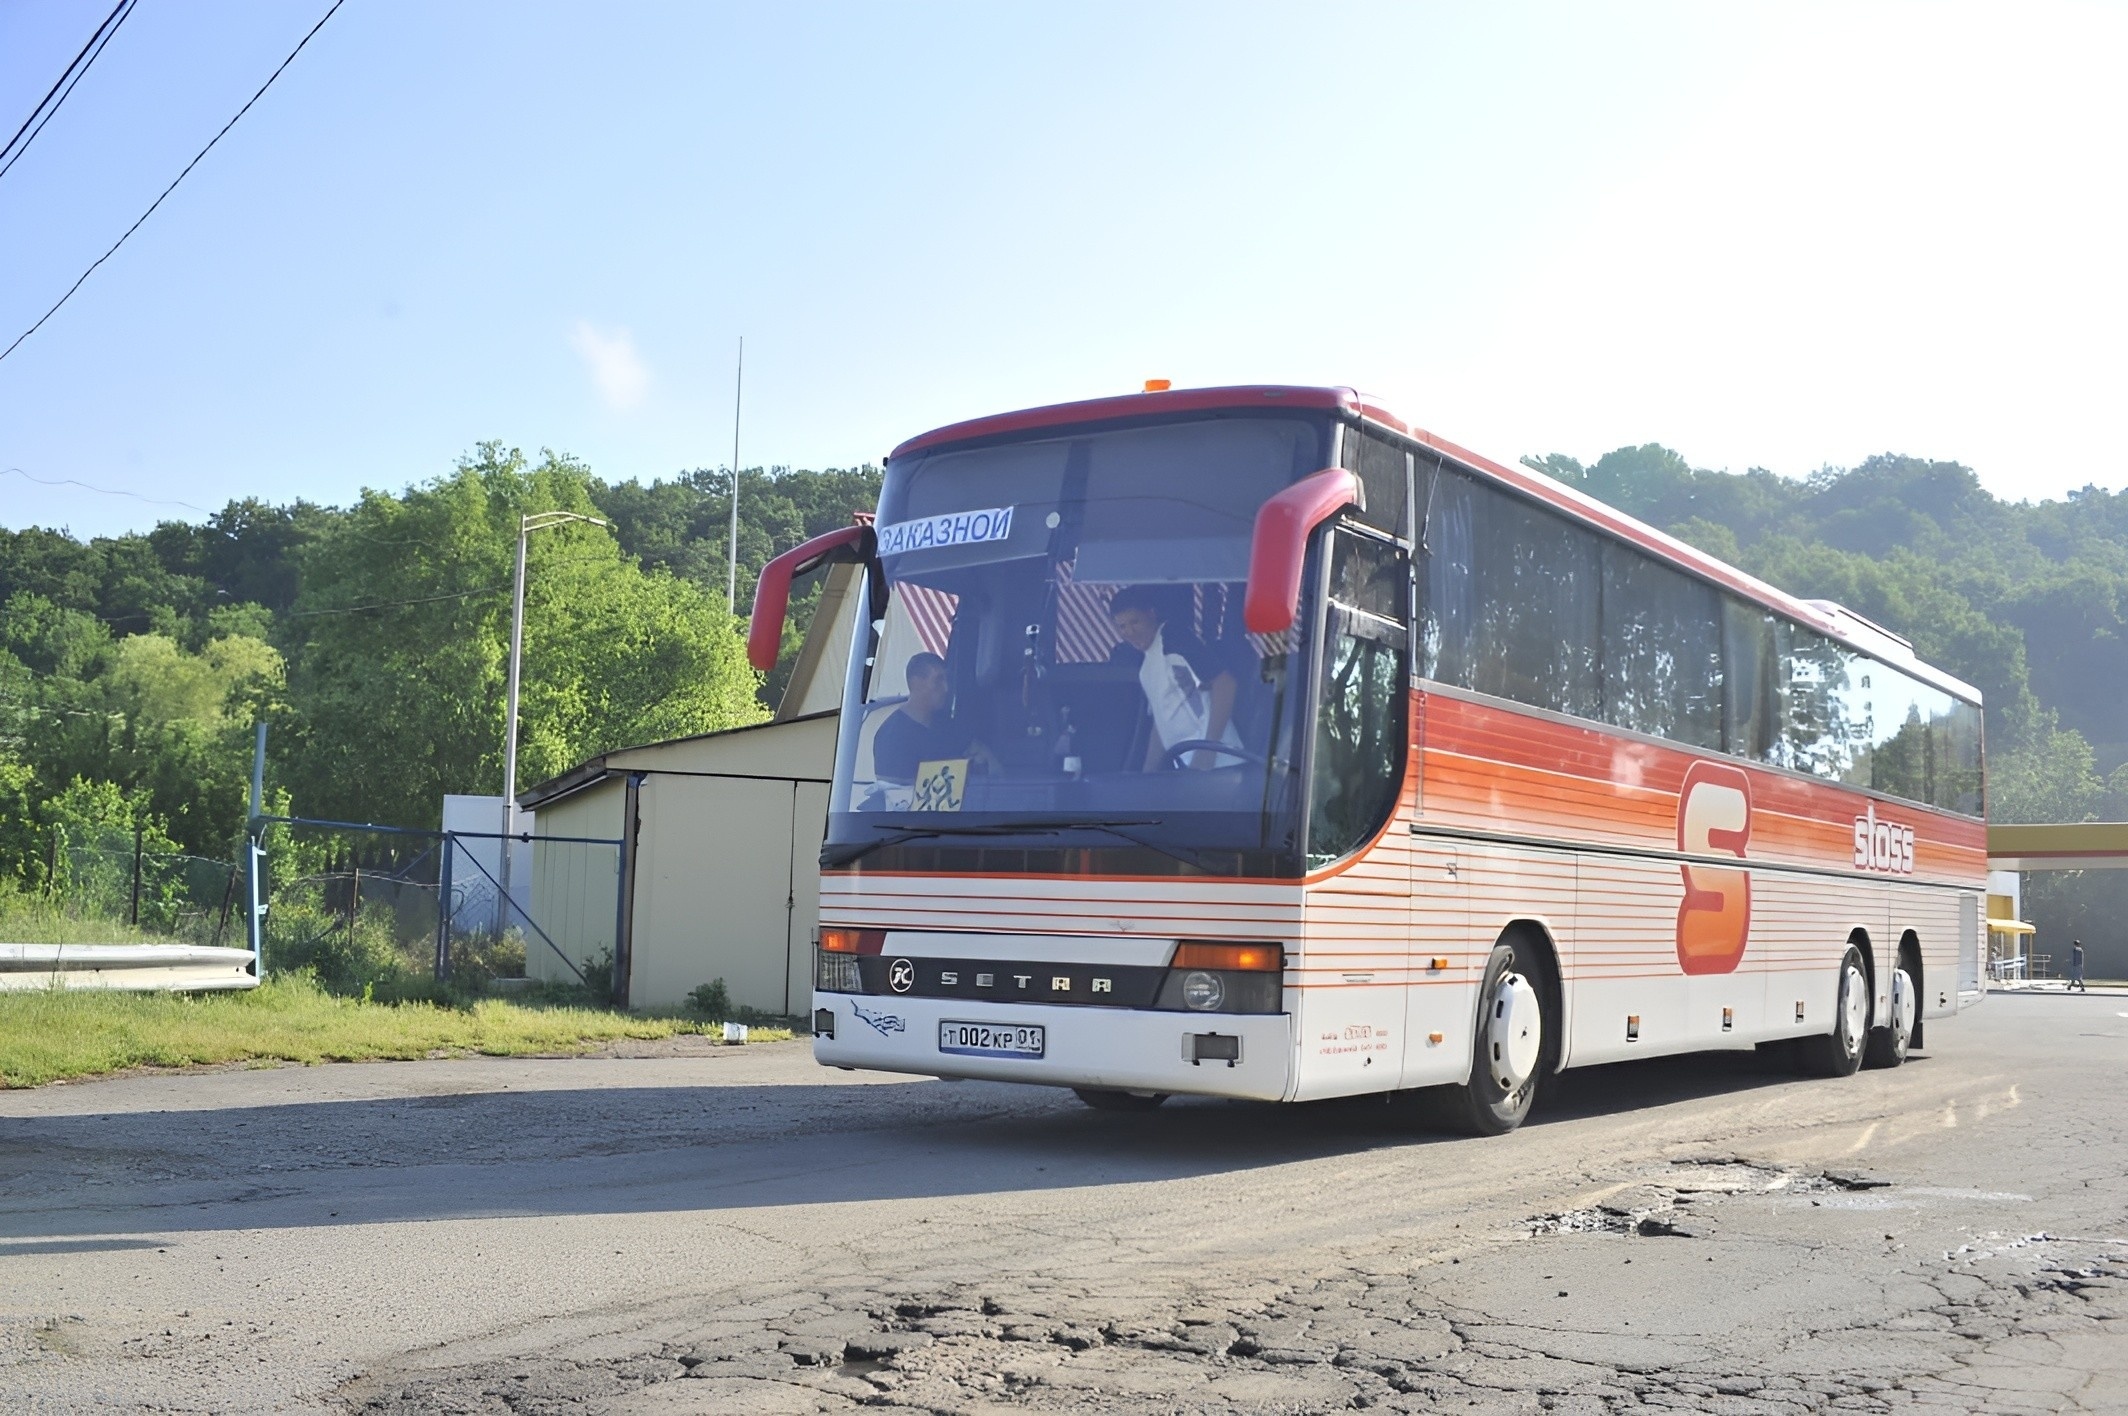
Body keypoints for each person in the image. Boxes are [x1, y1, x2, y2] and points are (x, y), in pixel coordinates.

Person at [1107, 585, 1244, 771]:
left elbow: (1225, 683)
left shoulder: (1174, 639)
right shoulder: (1147, 666)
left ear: (1151, 614)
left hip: (1221, 765)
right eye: (1122, 626)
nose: (1130, 632)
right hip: (1187, 767)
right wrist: (1148, 773)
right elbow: (1162, 721)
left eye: (1135, 622)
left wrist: (1208, 750)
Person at [873, 652, 999, 782]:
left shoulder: (947, 725)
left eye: (946, 679)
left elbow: (985, 757)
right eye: (938, 680)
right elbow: (894, 796)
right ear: (917, 683)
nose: (946, 688)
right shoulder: (892, 738)